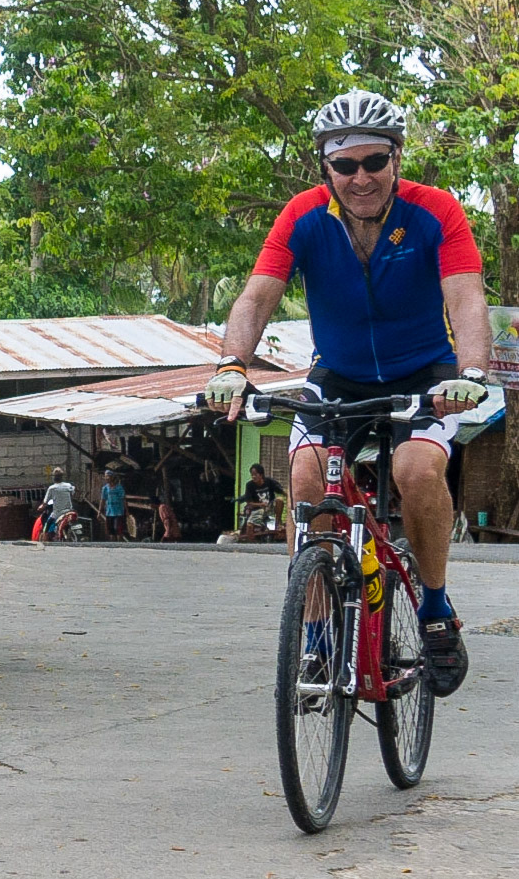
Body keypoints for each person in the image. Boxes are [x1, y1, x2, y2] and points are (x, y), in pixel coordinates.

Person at [205, 89, 491, 698]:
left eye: (374, 161)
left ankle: (435, 610)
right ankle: (314, 637)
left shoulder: (436, 211)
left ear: (397, 157)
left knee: (416, 469)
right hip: (336, 374)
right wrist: (232, 363)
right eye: (345, 165)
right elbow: (257, 296)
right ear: (325, 169)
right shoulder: (303, 216)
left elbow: (466, 298)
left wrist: (472, 373)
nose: (361, 178)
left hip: (427, 375)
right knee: (308, 481)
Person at [235, 463, 286, 536]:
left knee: (279, 500)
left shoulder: (269, 481)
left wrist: (290, 496)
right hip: (258, 509)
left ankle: (277, 523)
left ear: (261, 475)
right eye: (252, 475)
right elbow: (249, 503)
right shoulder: (249, 485)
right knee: (249, 526)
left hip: (270, 506)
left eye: (255, 474)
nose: (253, 476)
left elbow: (281, 491)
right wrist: (260, 504)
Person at [39, 467, 78, 541]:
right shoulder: (68, 485)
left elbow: (45, 502)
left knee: (47, 525)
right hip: (69, 511)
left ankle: (45, 539)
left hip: (57, 513)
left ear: (54, 477)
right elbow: (73, 493)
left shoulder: (52, 488)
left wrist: (41, 507)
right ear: (62, 477)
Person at [98, 469, 127, 541]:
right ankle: (113, 546)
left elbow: (123, 499)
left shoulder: (119, 487)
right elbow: (103, 500)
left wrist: (127, 511)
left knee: (118, 530)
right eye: (105, 477)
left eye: (108, 476)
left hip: (119, 511)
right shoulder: (105, 488)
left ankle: (120, 546)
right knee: (111, 531)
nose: (106, 478)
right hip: (109, 511)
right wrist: (99, 512)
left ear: (112, 477)